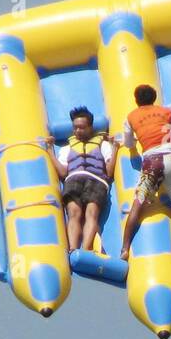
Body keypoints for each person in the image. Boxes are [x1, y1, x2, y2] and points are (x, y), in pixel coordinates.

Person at [118, 84, 171, 260]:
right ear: (154, 98)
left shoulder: (131, 117)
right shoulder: (166, 111)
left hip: (151, 162)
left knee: (137, 204)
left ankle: (124, 248)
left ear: (136, 100)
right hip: (169, 158)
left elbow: (128, 143)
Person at [42, 106, 117, 253]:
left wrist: (115, 148)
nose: (78, 131)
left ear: (90, 127)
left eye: (82, 128)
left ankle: (87, 247)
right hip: (73, 180)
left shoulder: (103, 144)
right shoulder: (66, 148)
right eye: (75, 128)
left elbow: (109, 171)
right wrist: (50, 151)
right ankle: (73, 249)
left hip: (97, 181)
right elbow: (63, 173)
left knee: (91, 213)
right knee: (73, 213)